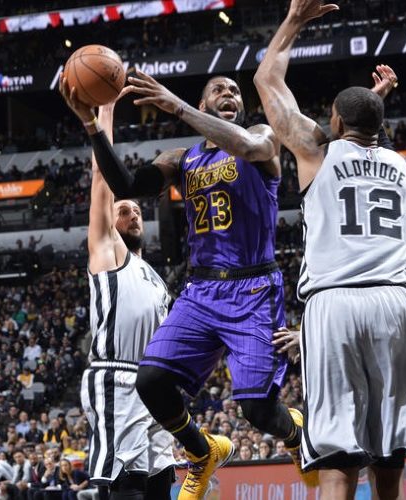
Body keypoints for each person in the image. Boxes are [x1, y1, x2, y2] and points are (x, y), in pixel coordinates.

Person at [62, 66, 309, 496]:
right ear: (203, 103)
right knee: (151, 381)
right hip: (202, 289)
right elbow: (126, 183)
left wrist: (175, 106)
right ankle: (201, 450)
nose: (229, 94)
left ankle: (294, 433)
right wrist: (90, 124)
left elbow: (249, 146)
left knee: (256, 409)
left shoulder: (261, 137)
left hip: (253, 286)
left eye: (235, 91)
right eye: (219, 90)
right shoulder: (181, 158)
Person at [254, 2, 406, 497]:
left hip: (336, 302)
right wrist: (370, 105)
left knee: (336, 454)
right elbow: (366, 137)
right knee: (388, 450)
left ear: (334, 120)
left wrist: (294, 21)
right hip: (396, 303)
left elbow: (266, 80)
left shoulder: (315, 151)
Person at [56, 90, 177, 500]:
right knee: (128, 481)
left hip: (154, 381)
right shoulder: (107, 251)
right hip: (117, 375)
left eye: (137, 211)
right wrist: (104, 112)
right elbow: (101, 179)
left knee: (160, 480)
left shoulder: (156, 278)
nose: (133, 214)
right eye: (123, 210)